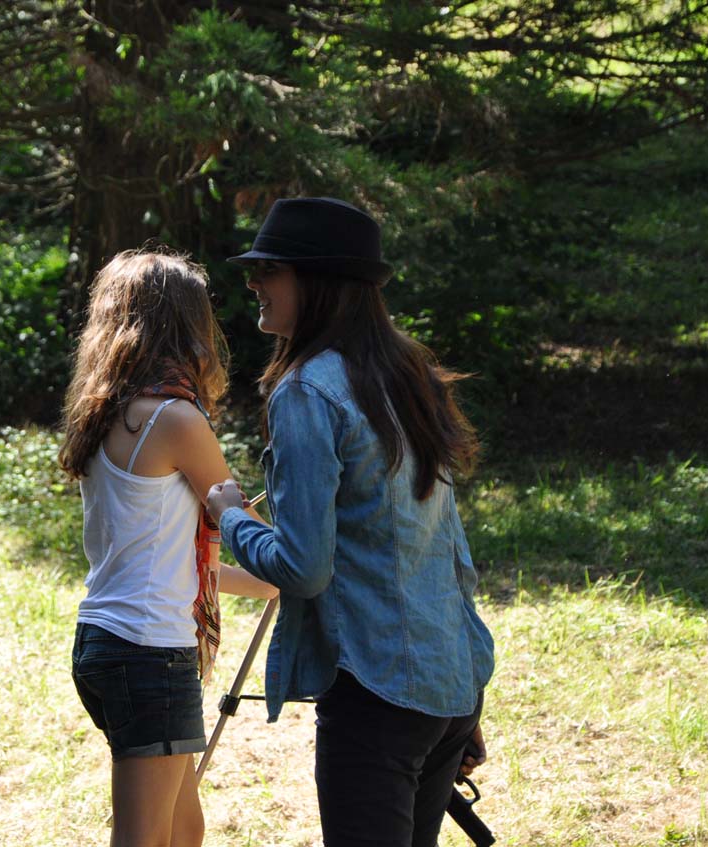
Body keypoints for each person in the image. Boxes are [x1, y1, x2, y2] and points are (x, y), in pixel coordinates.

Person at [205, 197, 495, 847]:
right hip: (445, 687)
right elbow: (450, 551)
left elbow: (303, 568)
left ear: (319, 281)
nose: (252, 283)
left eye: (269, 269)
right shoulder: (407, 372)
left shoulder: (306, 390)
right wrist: (464, 689)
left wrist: (230, 517)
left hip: (378, 695)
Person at [59, 250, 276, 847]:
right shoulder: (176, 420)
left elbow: (168, 557)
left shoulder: (105, 413)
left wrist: (267, 581)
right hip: (148, 652)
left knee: (184, 829)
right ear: (188, 328)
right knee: (149, 838)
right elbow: (245, 530)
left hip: (108, 641)